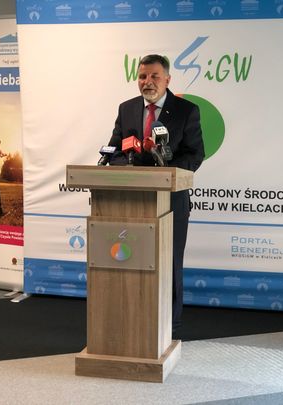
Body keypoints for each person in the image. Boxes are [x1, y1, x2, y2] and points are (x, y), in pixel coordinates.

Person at [109, 54, 205, 330]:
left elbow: (195, 154)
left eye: (154, 76)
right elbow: (114, 149)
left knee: (170, 261)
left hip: (171, 200)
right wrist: (127, 166)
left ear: (167, 80)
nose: (147, 82)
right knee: (132, 258)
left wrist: (166, 171)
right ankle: (133, 318)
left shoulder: (186, 110)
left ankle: (170, 324)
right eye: (142, 76)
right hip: (133, 199)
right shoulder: (126, 108)